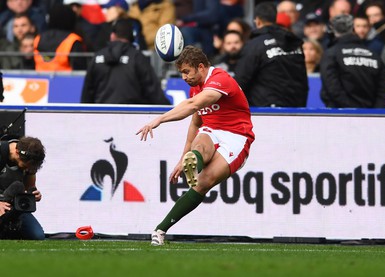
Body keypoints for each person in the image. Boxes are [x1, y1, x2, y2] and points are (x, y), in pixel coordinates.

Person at [136, 45, 255, 246]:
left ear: (201, 67)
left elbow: (191, 105)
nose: (183, 77)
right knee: (201, 142)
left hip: (237, 136)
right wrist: (183, 157)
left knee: (204, 182)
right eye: (181, 72)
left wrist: (160, 119)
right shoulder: (196, 87)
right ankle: (159, 231)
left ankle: (164, 224)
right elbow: (195, 122)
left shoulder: (220, 79)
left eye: (186, 72)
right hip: (212, 131)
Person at [234, 2, 309, 107]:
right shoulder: (294, 42)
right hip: (295, 108)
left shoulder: (254, 45)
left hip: (266, 112)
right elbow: (303, 80)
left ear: (257, 21)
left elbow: (241, 80)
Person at [81, 18, 170, 105]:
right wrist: (170, 112)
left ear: (112, 36)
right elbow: (153, 92)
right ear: (132, 38)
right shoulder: (137, 57)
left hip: (101, 115)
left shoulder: (97, 57)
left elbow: (87, 95)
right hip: (133, 115)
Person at [320, 14, 385, 108]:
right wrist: (375, 113)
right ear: (353, 29)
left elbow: (331, 89)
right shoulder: (372, 54)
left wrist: (352, 111)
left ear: (332, 31)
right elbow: (384, 91)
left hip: (340, 116)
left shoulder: (331, 54)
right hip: (370, 116)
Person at [0, 136, 46, 240]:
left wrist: (33, 194)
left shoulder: (31, 163)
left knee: (37, 235)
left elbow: (30, 187)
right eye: (26, 166)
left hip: (12, 205)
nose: (28, 169)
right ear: (17, 153)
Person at [33, 4, 87, 71]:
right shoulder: (73, 40)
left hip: (40, 80)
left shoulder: (38, 39)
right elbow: (80, 70)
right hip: (66, 81)